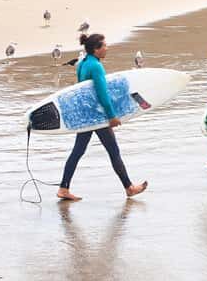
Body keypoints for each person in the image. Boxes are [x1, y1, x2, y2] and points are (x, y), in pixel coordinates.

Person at [57, 33, 148, 201]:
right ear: (96, 49)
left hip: (87, 114)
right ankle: (129, 188)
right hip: (97, 116)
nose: (107, 48)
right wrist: (112, 116)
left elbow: (82, 91)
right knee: (113, 151)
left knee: (78, 151)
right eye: (104, 46)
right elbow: (102, 93)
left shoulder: (83, 63)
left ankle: (64, 188)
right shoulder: (96, 66)